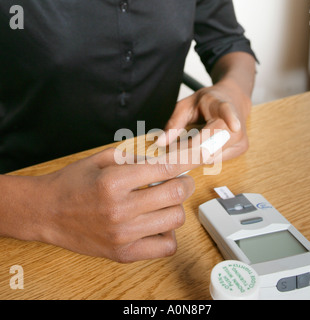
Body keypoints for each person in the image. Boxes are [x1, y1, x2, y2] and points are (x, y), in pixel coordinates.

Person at [0, 0, 256, 263]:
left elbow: (228, 42)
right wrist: (49, 210)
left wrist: (233, 93)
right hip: (26, 198)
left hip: (158, 186)